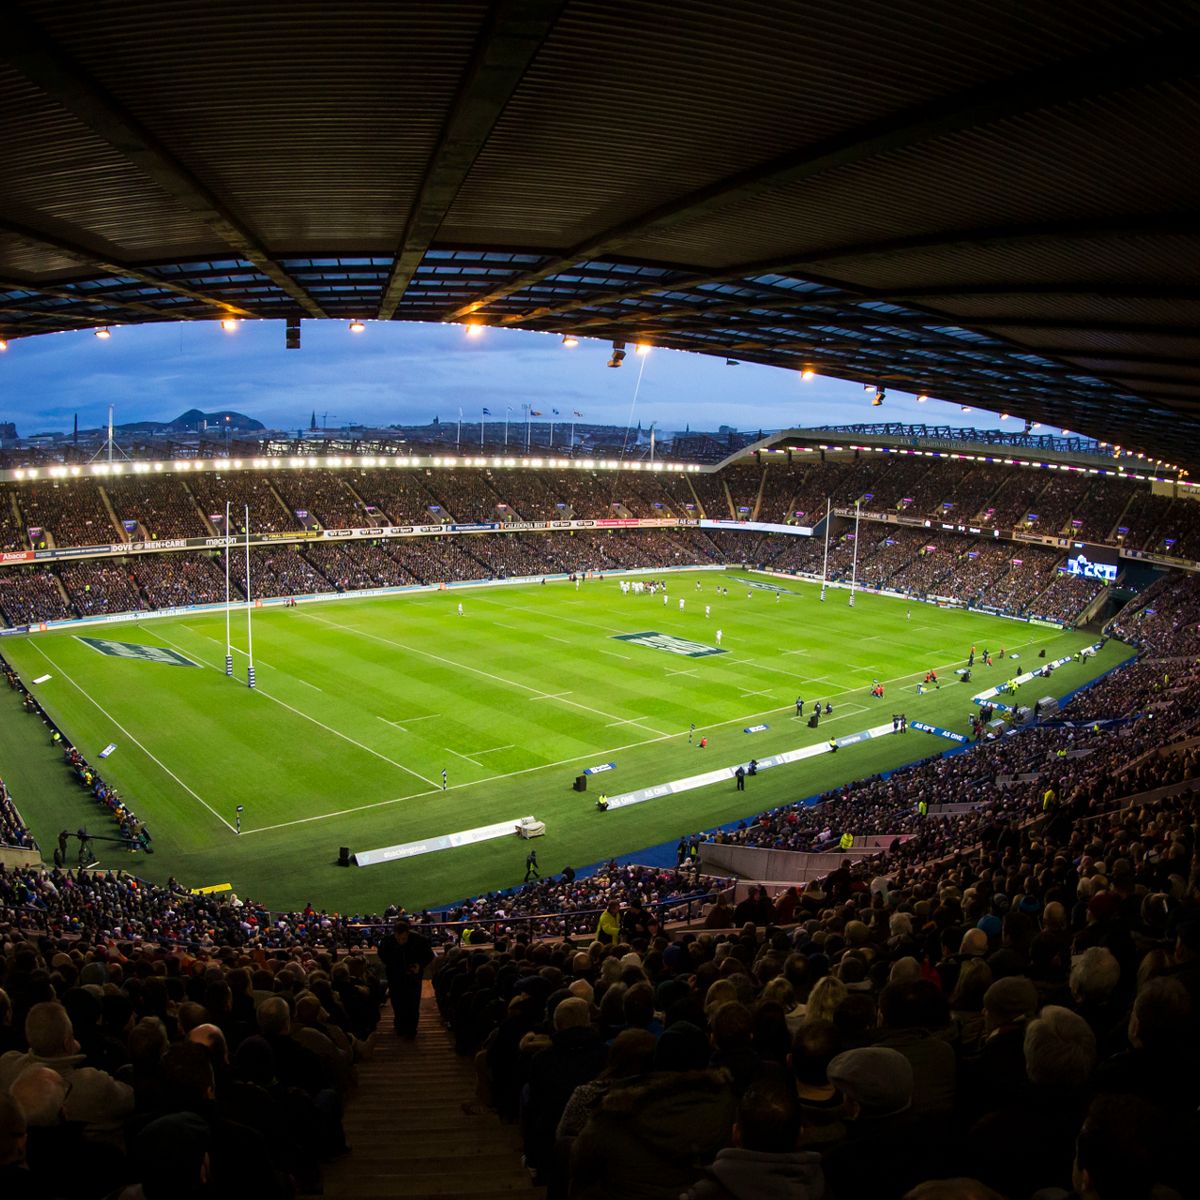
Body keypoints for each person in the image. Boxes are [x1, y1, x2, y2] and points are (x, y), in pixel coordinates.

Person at [377, 919, 434, 1039]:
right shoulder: (387, 941)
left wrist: (419, 965)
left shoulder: (419, 940)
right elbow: (382, 955)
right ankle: (400, 1026)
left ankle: (411, 1030)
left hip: (412, 977)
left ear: (408, 933)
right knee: (397, 1003)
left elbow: (429, 955)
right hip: (395, 976)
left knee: (412, 1003)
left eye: (403, 939)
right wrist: (394, 965)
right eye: (398, 939)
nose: (400, 941)